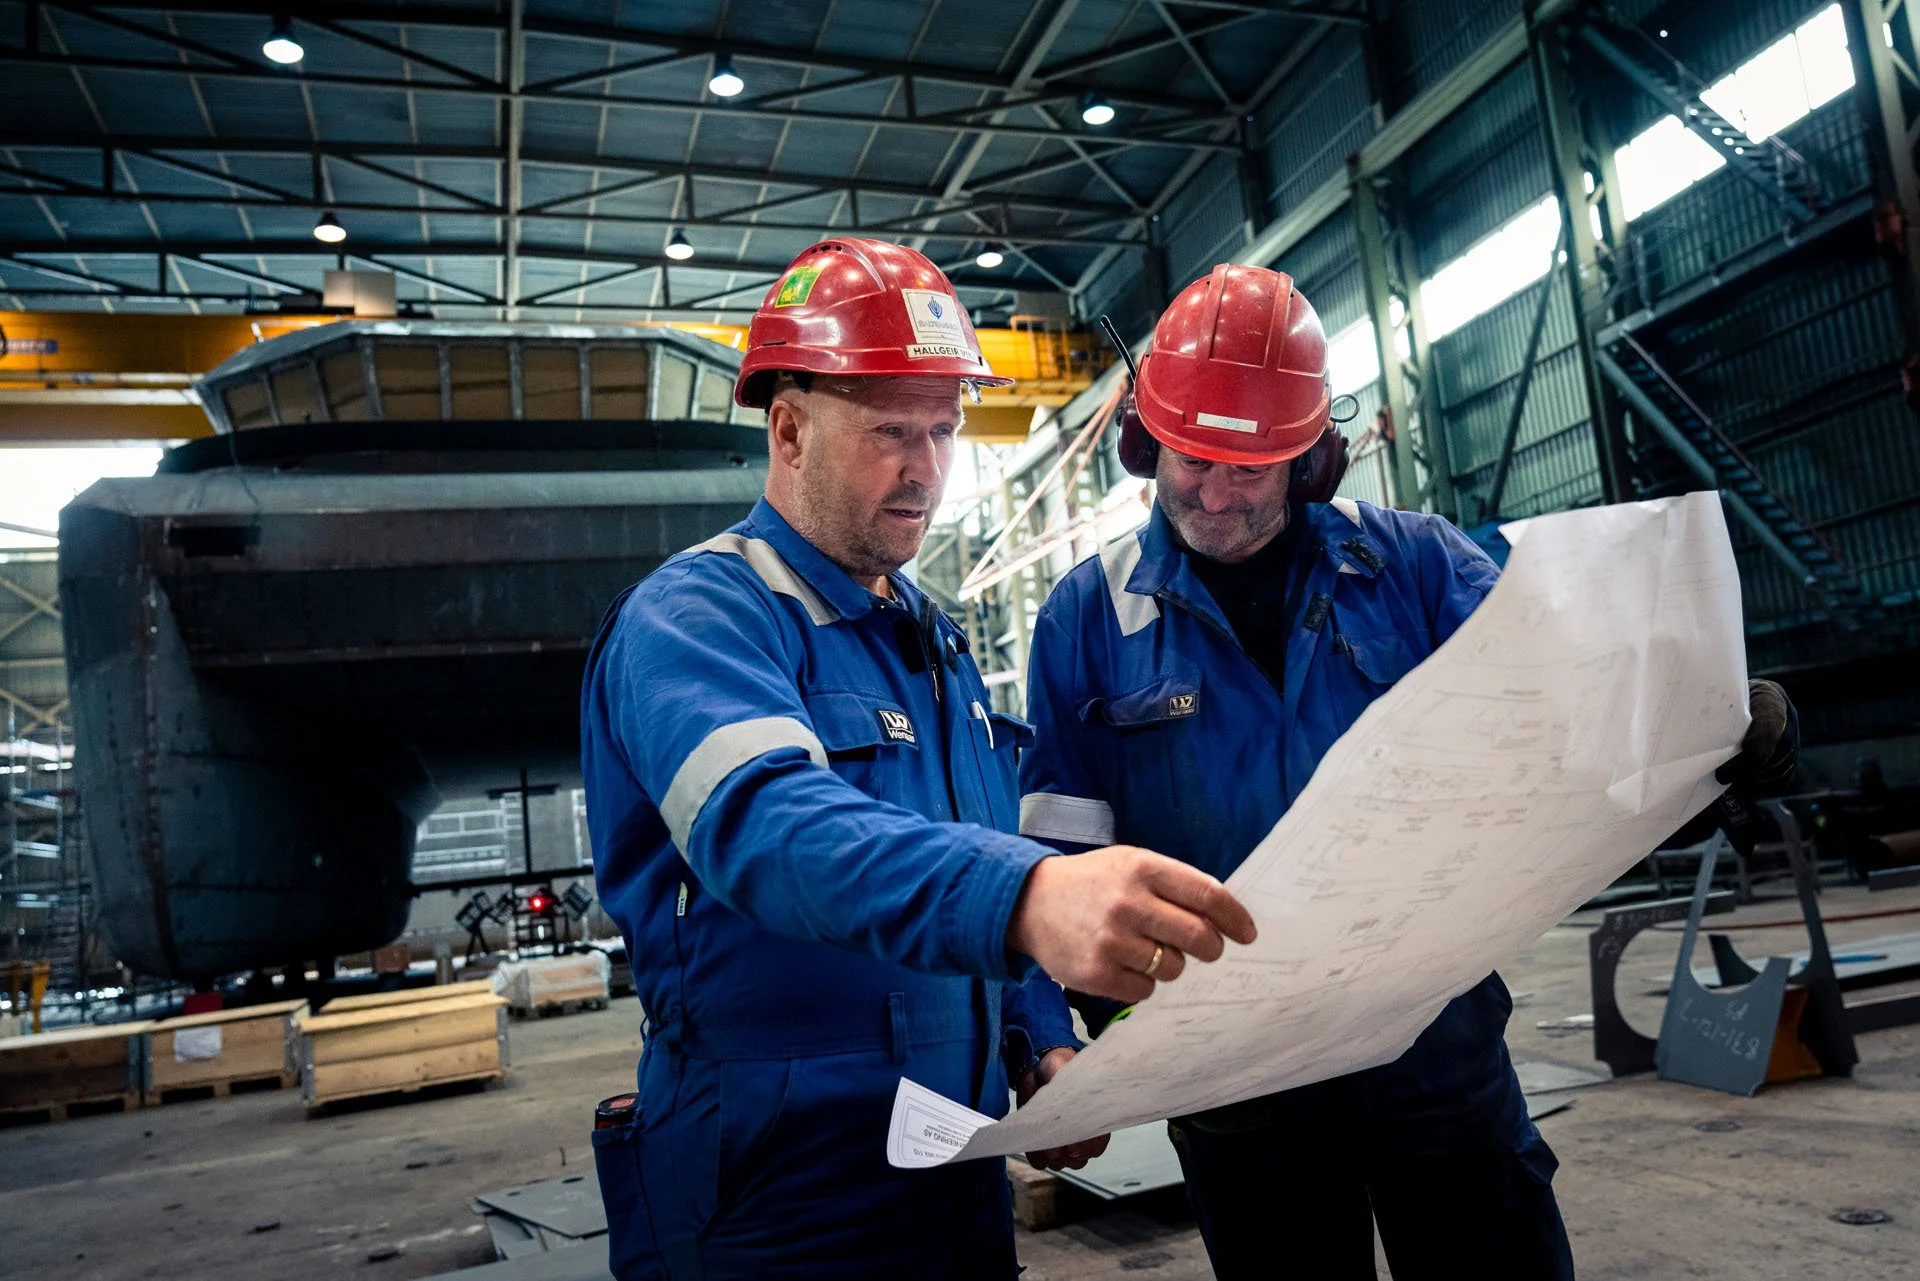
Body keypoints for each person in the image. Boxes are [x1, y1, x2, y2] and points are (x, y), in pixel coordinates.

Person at [1017, 262, 1798, 1280]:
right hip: (1232, 1079)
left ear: (1309, 460)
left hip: (1436, 1051)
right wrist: (1051, 1040)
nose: (1212, 496)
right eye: (1191, 461)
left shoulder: (1418, 569)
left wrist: (1710, 740)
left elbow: (1570, 727)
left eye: (1248, 471)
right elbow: (1051, 857)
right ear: (1145, 441)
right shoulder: (1086, 618)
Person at [578, 237, 1257, 1281]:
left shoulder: (929, 642)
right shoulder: (699, 618)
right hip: (771, 1196)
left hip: (953, 1173)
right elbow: (768, 825)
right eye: (891, 432)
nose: (926, 471)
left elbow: (979, 843)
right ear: (790, 428)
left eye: (943, 432)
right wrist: (1030, 895)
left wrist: (1039, 1042)